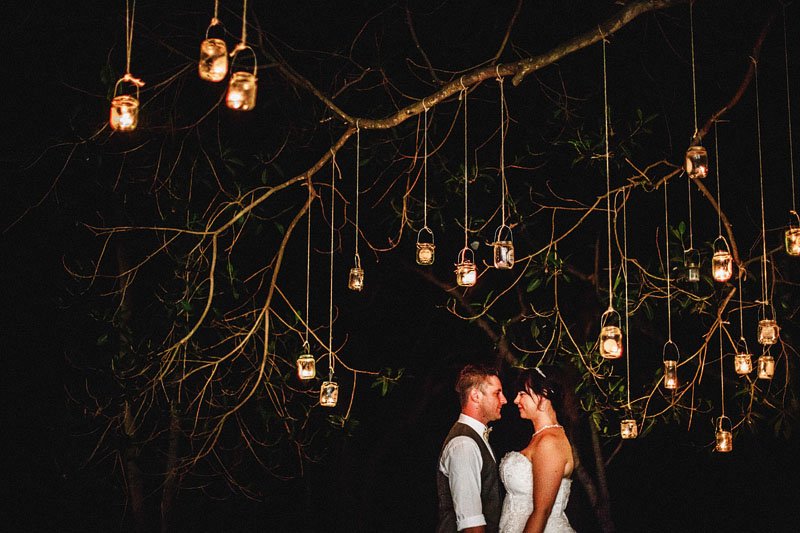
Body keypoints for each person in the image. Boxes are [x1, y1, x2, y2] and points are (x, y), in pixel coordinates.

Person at [498, 366, 576, 533]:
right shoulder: (540, 437)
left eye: (522, 394)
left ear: (544, 394)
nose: (516, 400)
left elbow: (542, 511)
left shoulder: (550, 442)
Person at [437, 364, 508, 532]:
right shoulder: (464, 445)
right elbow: (471, 523)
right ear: (476, 396)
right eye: (497, 393)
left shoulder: (473, 439)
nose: (504, 399)